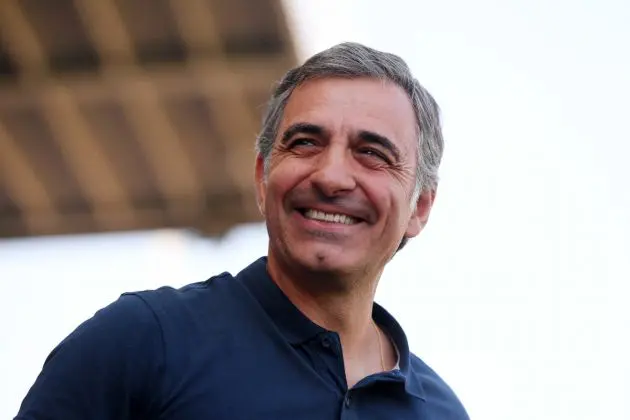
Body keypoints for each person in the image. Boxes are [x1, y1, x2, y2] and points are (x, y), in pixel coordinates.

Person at [15, 42, 469, 419]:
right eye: (306, 143)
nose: (331, 177)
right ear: (261, 178)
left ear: (421, 206)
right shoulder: (141, 342)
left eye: (371, 152)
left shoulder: (442, 413)